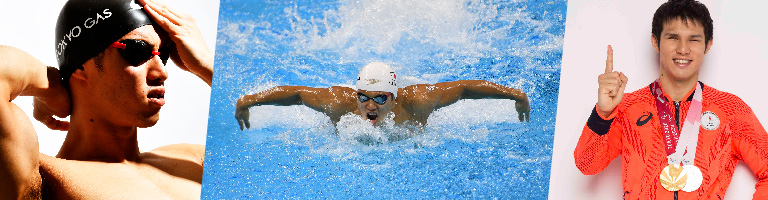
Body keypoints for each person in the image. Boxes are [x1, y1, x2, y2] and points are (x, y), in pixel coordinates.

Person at [0, 0, 213, 198]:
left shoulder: (197, 161)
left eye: (164, 54)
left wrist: (209, 67)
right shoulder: (42, 177)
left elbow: (247, 122)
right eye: (137, 51)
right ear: (82, 64)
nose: (162, 72)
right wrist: (51, 85)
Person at [573, 0, 768, 199]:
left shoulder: (730, 109)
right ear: (655, 42)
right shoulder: (627, 107)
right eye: (673, 38)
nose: (683, 49)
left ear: (708, 44)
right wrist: (603, 115)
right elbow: (586, 165)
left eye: (694, 39)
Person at [235, 62, 531, 131]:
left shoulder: (418, 100)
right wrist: (248, 100)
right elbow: (298, 94)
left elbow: (466, 88)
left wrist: (514, 94)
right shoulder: (341, 103)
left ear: (394, 97)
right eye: (364, 97)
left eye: (379, 99)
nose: (369, 106)